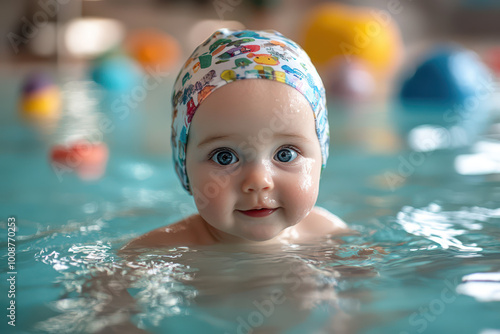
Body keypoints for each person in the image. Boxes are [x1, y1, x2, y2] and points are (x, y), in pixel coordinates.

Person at [121, 29, 347, 250]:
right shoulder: (160, 251)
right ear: (183, 166)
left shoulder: (329, 236)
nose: (258, 181)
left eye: (285, 154)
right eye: (225, 157)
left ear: (321, 155)